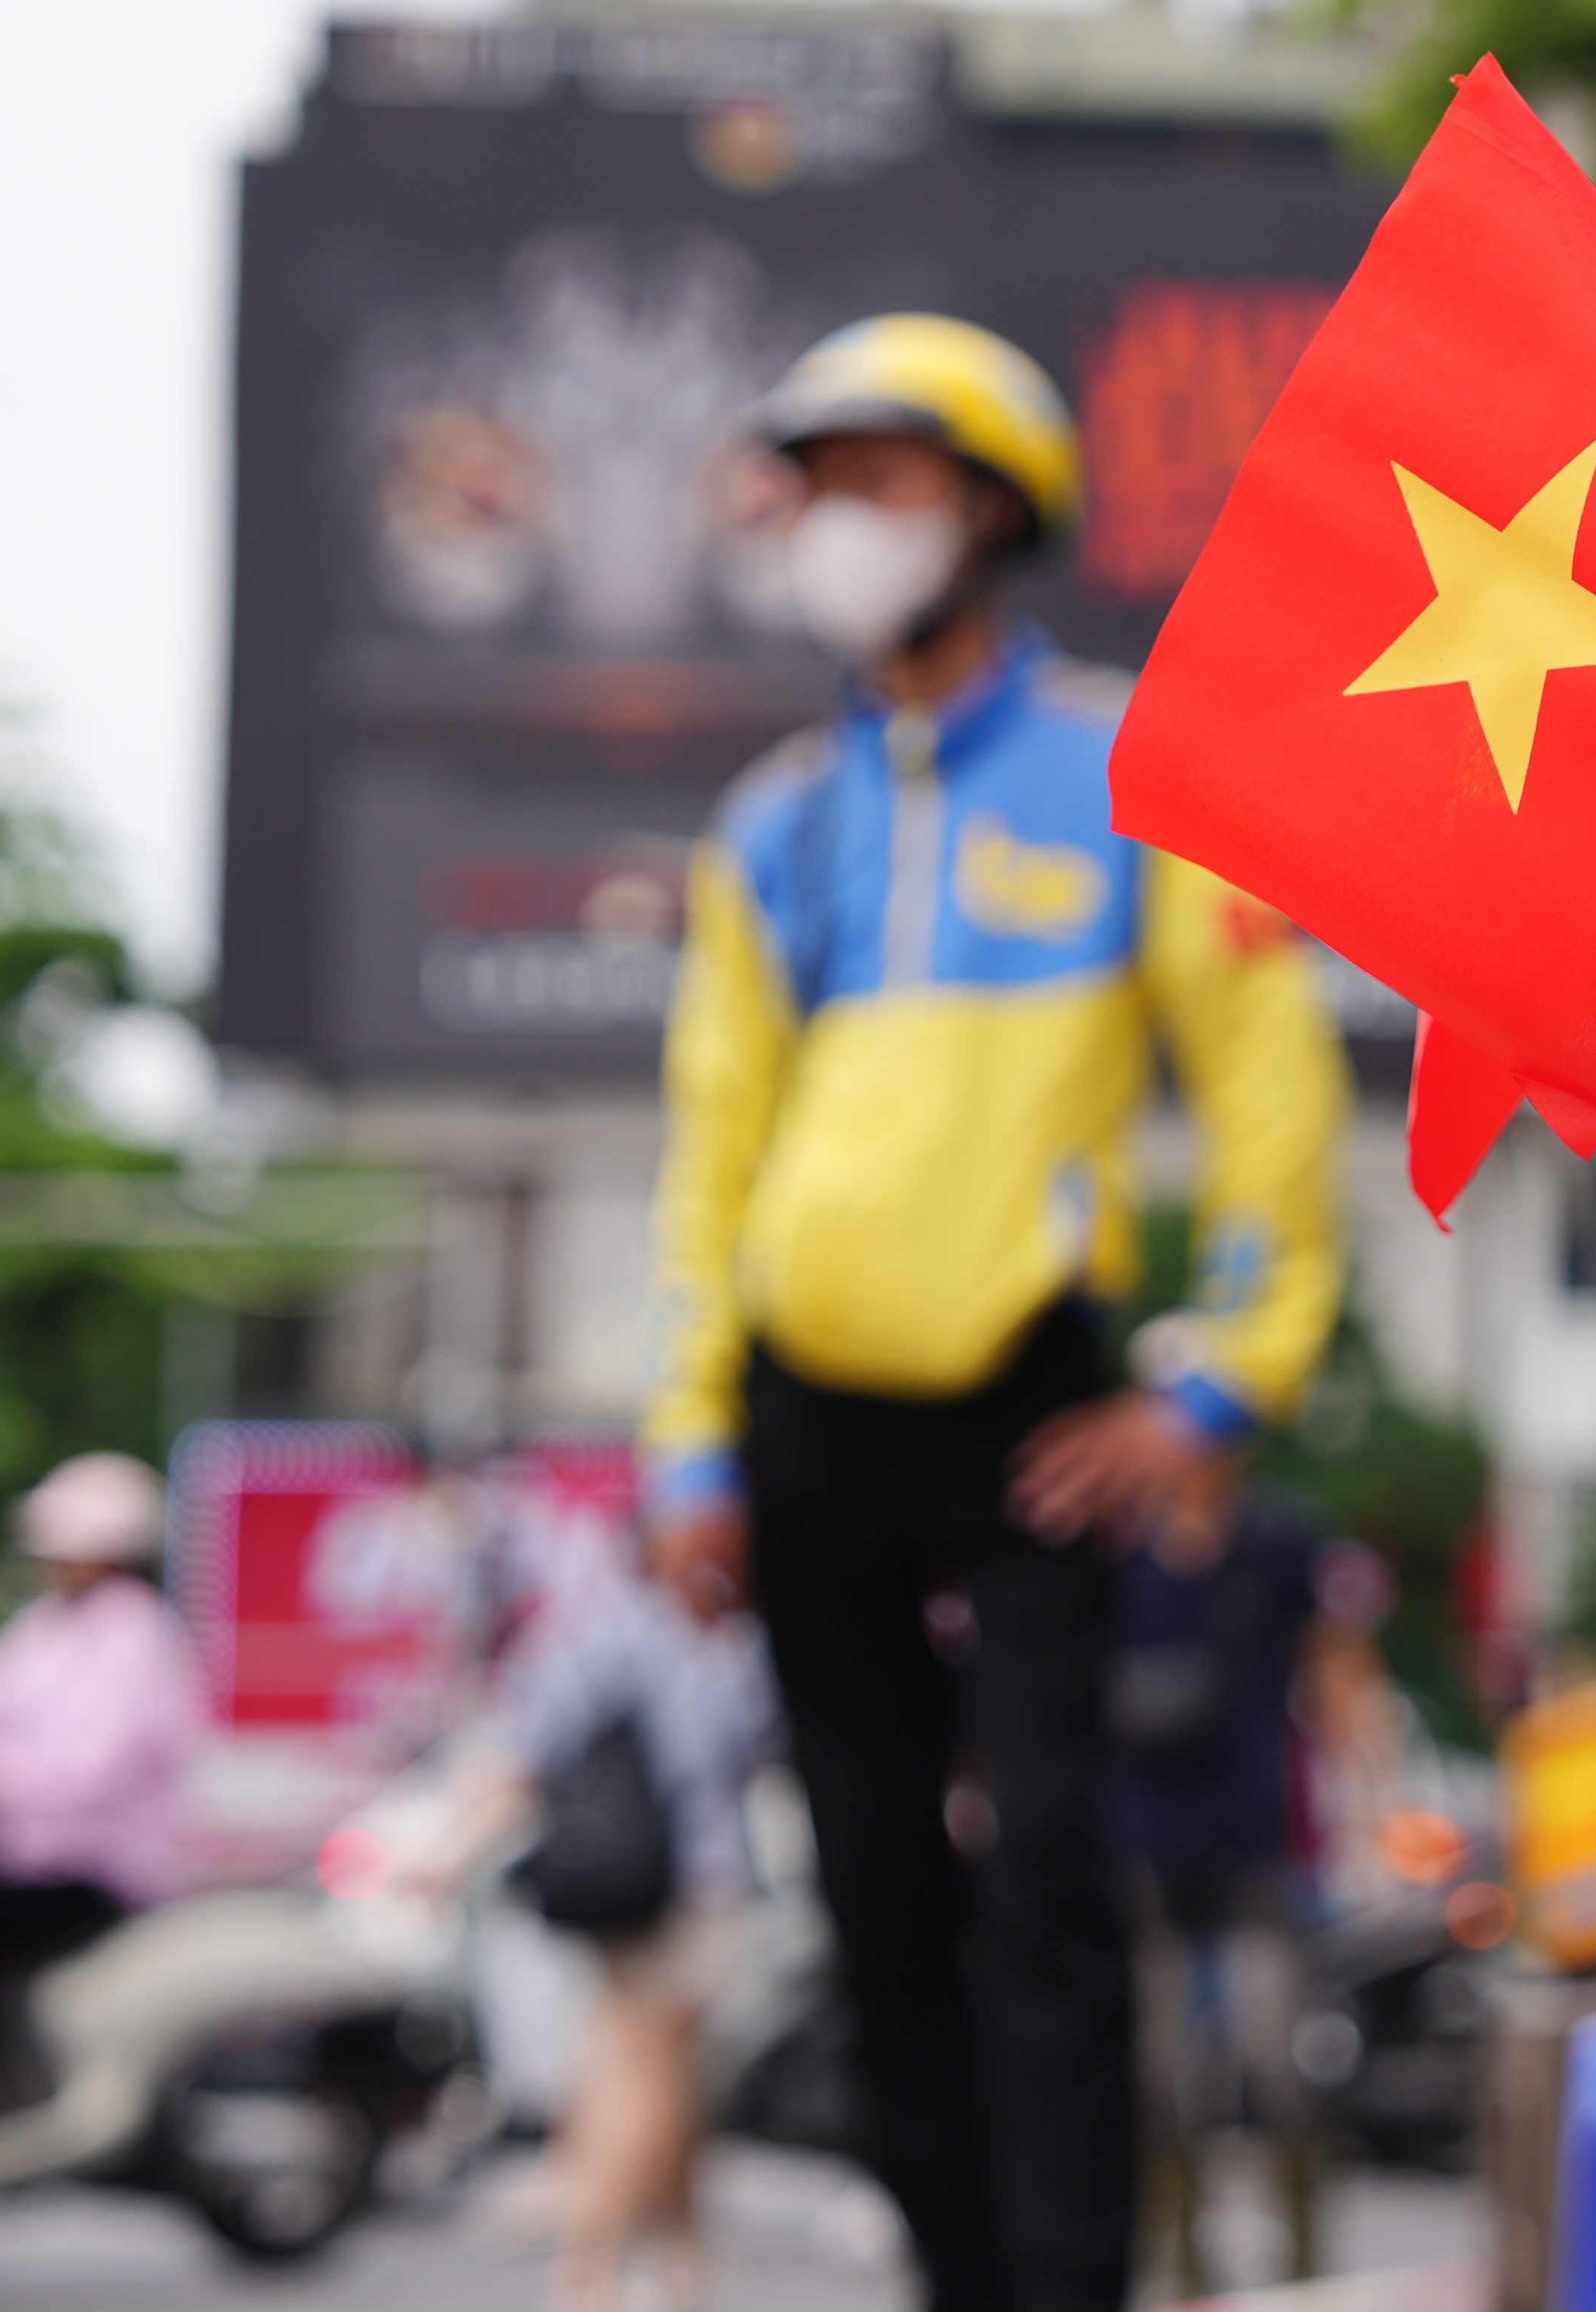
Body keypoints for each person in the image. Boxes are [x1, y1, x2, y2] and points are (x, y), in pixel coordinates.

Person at [641, 313, 1348, 2312]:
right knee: (873, 1901)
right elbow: (709, 1152)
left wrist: (1215, 1388)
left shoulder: (1137, 766)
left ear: (990, 505)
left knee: (1046, 1869)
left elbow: (1273, 1099)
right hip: (802, 1421)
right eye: (818, 488)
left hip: (1032, 1412)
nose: (837, 525)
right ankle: (958, 2285)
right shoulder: (775, 820)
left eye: (879, 481)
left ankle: (1069, 2287)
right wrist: (689, 1440)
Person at [486, 1519, 780, 2312]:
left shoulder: (597, 1631)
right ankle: (594, 2262)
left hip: (628, 1883)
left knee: (655, 2064)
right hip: (691, 1884)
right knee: (651, 2070)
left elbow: (525, 1750)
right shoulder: (709, 1643)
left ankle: (679, 2254)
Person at [0, 1449, 202, 2096]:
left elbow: (89, 1770)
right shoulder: (47, 1626)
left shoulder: (135, 1633)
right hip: (23, 1848)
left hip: (96, 1865)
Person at [1104, 1464, 1326, 2296]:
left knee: (1276, 2057)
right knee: (1161, 2072)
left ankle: (1304, 2266)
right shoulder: (1120, 1551)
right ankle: (1184, 2269)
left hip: (1252, 1837)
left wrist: (1365, 1793)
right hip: (1144, 1840)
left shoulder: (1275, 1544)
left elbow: (1332, 1659)